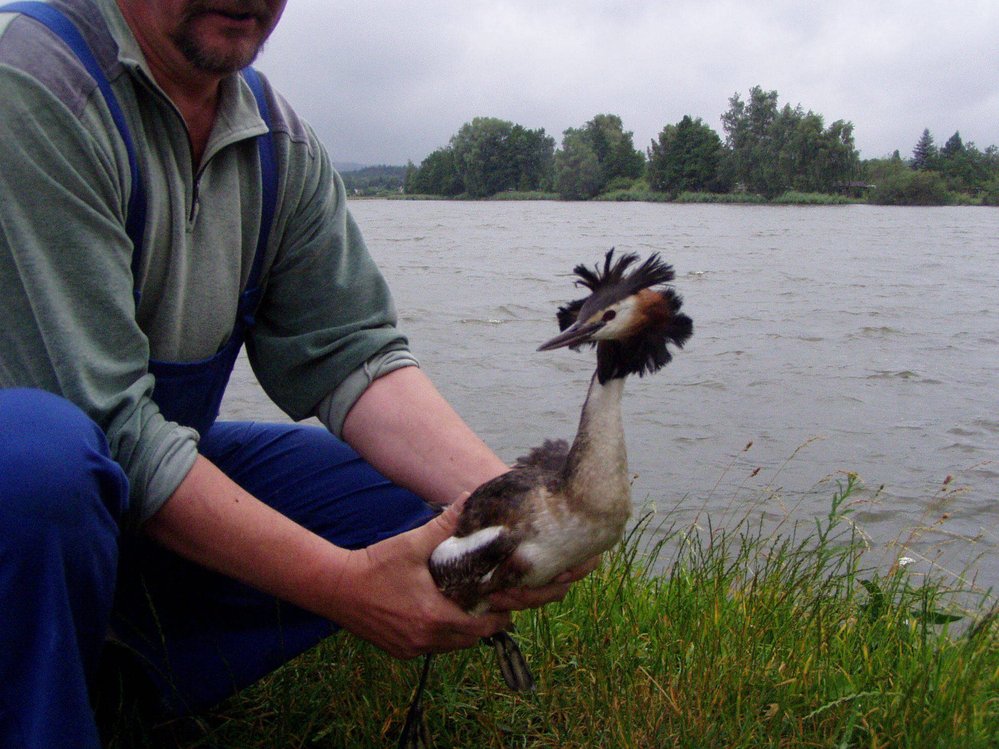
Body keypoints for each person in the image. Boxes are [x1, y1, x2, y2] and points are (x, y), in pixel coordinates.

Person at [0, 2, 596, 747]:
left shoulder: (276, 140)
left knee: (416, 509)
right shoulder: (29, 82)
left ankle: (111, 676)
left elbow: (353, 350)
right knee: (37, 467)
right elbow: (111, 424)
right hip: (34, 481)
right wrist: (346, 588)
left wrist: (516, 511)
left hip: (115, 485)